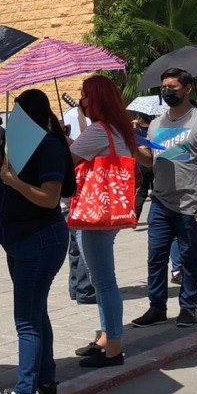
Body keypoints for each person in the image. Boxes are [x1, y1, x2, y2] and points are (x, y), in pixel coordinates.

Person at [0, 89, 76, 394]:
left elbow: (49, 199)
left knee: (26, 320)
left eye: (19, 111)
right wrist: (1, 169)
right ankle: (45, 380)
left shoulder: (48, 146)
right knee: (36, 314)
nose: (14, 117)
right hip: (20, 240)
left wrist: (13, 181)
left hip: (39, 240)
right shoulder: (23, 146)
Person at [132, 68, 197, 328]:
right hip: (160, 201)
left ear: (188, 88)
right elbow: (151, 161)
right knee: (156, 257)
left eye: (173, 86)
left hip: (191, 204)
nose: (167, 91)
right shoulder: (157, 124)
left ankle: (188, 308)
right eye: (164, 87)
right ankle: (157, 307)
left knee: (190, 258)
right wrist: (135, 148)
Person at [69, 75, 136, 365]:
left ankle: (113, 349)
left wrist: (59, 136)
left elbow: (67, 160)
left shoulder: (99, 131)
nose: (81, 101)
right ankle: (106, 337)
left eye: (84, 96)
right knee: (102, 281)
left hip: (96, 216)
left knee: (104, 282)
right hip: (110, 214)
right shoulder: (117, 129)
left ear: (94, 99)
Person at [63, 103, 96, 306]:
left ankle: (76, 287)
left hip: (74, 193)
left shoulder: (85, 121)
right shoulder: (73, 118)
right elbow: (79, 152)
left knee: (76, 245)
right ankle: (84, 289)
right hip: (78, 192)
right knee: (83, 244)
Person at [133, 113, 155, 220]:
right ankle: (154, 216)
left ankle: (135, 218)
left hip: (141, 165)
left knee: (141, 192)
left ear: (141, 119)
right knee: (157, 193)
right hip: (155, 164)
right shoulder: (155, 129)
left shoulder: (135, 131)